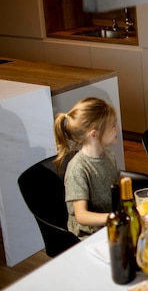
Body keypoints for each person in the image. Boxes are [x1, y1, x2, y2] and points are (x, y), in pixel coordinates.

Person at [53, 97, 121, 238]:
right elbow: (82, 216)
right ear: (94, 134)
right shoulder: (78, 169)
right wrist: (115, 218)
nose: (117, 128)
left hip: (110, 226)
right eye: (113, 125)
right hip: (87, 236)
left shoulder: (109, 156)